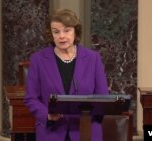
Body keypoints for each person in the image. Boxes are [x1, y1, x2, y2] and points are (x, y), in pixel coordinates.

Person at [24, 9, 109, 141]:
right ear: (51, 34)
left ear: (76, 32)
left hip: (86, 131)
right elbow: (31, 98)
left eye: (67, 30)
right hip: (52, 132)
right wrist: (47, 114)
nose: (61, 36)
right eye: (56, 32)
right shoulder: (38, 59)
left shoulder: (93, 59)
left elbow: (103, 97)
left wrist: (89, 114)